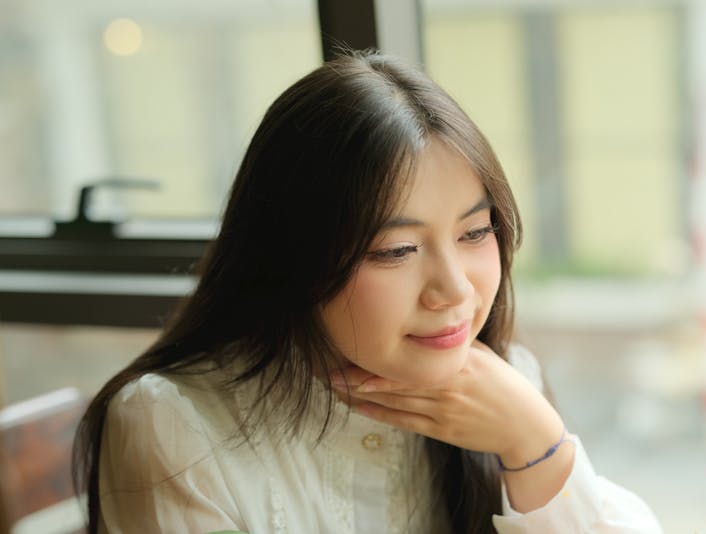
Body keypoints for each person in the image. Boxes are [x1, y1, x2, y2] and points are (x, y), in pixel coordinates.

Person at [73, 50, 662, 534]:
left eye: (475, 232)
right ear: (293, 258)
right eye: (395, 251)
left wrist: (536, 443)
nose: (453, 290)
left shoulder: (503, 389)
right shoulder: (173, 426)